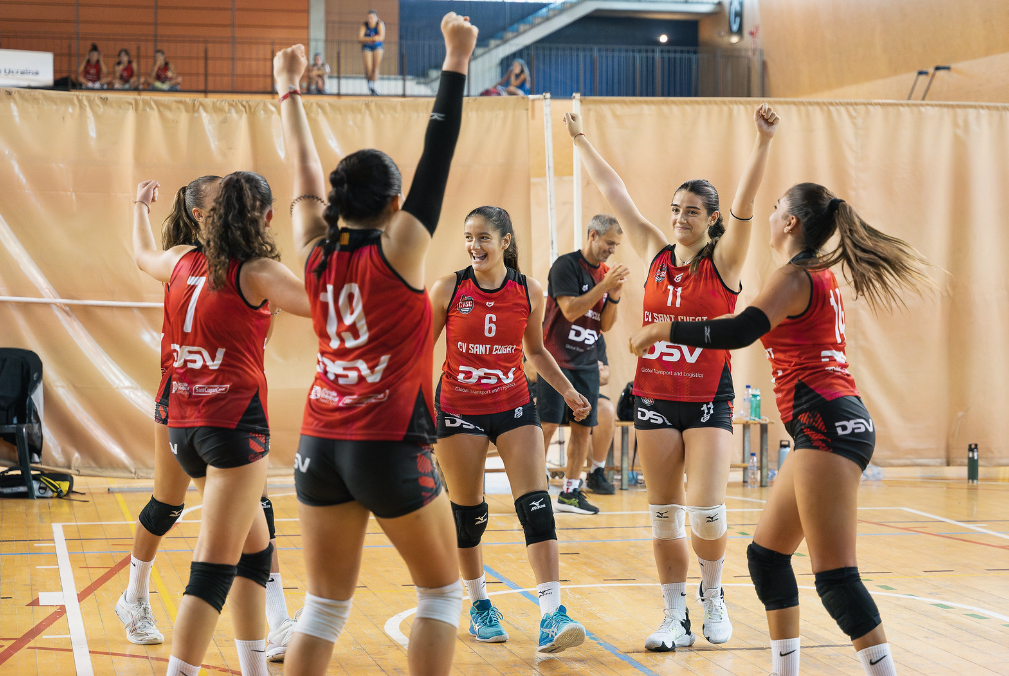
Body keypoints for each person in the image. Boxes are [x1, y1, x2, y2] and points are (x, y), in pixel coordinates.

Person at [630, 183, 930, 676]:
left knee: (836, 578)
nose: (769, 217)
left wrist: (665, 328)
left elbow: (739, 330)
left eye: (775, 210)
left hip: (825, 422)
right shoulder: (813, 274)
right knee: (767, 558)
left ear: (790, 223)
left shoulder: (795, 276)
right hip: (825, 425)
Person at [273, 12, 478, 675]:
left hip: (319, 442)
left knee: (325, 606)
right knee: (443, 593)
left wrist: (287, 91)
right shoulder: (400, 250)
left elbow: (302, 169)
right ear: (393, 205)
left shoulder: (311, 248)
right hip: (386, 444)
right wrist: (455, 58)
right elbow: (438, 153)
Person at [566, 104, 780, 651]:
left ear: (711, 219)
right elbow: (617, 195)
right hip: (656, 397)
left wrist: (761, 143)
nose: (680, 217)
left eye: (692, 211)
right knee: (664, 516)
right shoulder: (656, 252)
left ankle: (713, 595)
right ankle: (673, 615)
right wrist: (582, 141)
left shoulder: (724, 263)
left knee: (706, 514)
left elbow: (746, 204)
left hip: (708, 397)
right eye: (676, 209)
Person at [131, 172, 312, 676]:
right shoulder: (257, 272)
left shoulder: (180, 260)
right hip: (232, 428)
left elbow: (141, 255)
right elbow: (329, 309)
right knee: (211, 576)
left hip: (184, 426)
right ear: (266, 217)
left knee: (256, 555)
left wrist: (138, 209)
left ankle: (255, 670)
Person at [429, 205, 591, 652]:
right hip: (459, 409)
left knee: (537, 505)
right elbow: (421, 351)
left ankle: (552, 614)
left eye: (483, 237)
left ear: (505, 241)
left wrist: (569, 390)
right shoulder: (449, 288)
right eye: (468, 237)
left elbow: (536, 351)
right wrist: (418, 410)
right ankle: (480, 603)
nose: (474, 246)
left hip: (515, 403)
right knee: (469, 517)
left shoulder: (528, 290)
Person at [540, 215, 627, 516]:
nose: (612, 250)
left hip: (587, 362)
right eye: (609, 243)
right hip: (556, 360)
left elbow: (605, 324)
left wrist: (613, 297)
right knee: (548, 424)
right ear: (593, 235)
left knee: (582, 429)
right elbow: (570, 309)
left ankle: (570, 492)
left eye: (616, 245)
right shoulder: (566, 266)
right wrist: (604, 285)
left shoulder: (606, 275)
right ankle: (533, 491)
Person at [585, 335, 615, 495]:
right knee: (535, 410)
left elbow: (605, 376)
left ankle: (596, 471)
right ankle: (541, 472)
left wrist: (581, 368)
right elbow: (532, 373)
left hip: (585, 391)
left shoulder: (595, 334)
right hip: (549, 390)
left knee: (607, 409)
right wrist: (586, 367)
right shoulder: (546, 326)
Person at [359, 10, 385, 95]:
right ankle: (369, 86)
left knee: (375, 67)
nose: (370, 20)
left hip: (377, 47)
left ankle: (374, 86)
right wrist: (373, 38)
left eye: (372, 18)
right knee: (368, 68)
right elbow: (360, 38)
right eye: (369, 18)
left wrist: (368, 39)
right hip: (367, 47)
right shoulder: (364, 25)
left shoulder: (380, 24)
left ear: (376, 18)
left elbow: (381, 37)